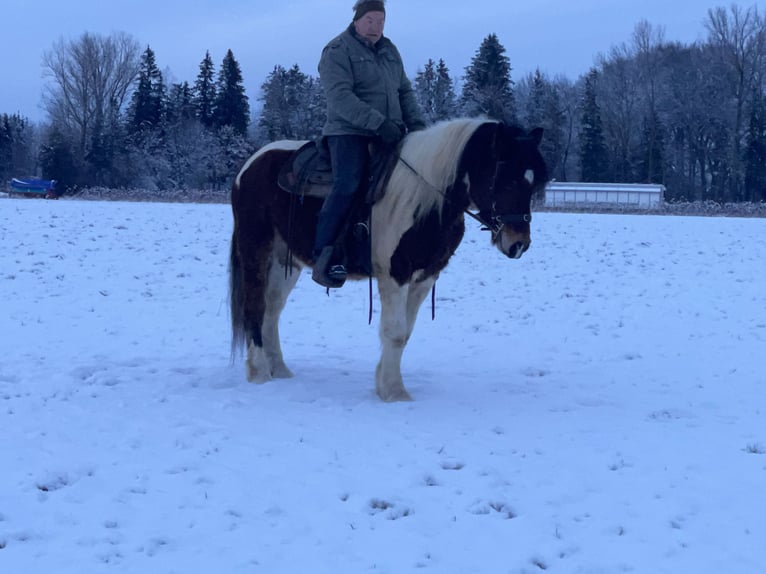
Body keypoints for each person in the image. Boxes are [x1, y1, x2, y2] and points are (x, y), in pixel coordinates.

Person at [312, 0, 426, 288]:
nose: (376, 27)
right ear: (357, 20)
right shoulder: (337, 51)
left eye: (381, 21)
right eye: (370, 21)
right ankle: (324, 255)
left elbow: (404, 91)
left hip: (389, 132)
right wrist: (378, 123)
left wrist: (420, 129)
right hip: (348, 132)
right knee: (348, 183)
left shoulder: (390, 51)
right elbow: (340, 98)